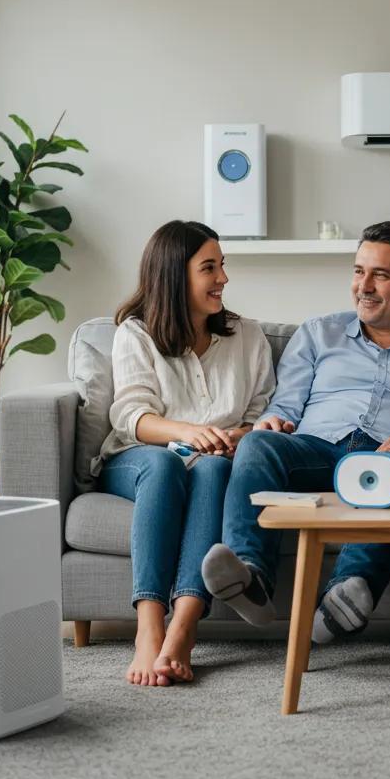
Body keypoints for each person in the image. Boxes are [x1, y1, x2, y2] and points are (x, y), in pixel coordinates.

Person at [200, 221, 390, 642]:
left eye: (381, 275)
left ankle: (346, 593)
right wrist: (273, 422)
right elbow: (284, 406)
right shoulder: (318, 333)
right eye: (359, 271)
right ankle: (252, 579)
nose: (364, 286)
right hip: (316, 448)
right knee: (260, 443)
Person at [95, 220, 274, 686]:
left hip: (212, 461)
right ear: (175, 275)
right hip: (139, 458)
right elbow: (132, 417)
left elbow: (262, 413)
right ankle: (149, 628)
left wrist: (238, 435)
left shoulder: (248, 337)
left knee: (215, 470)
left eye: (222, 266)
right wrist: (191, 432)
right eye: (209, 268)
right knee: (161, 465)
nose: (223, 279)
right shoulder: (135, 334)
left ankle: (184, 626)